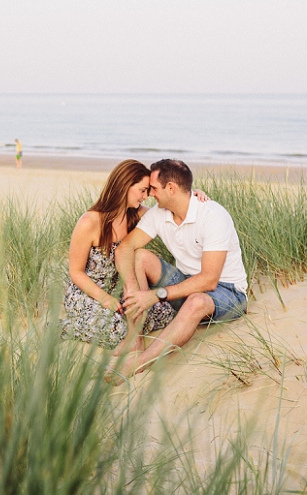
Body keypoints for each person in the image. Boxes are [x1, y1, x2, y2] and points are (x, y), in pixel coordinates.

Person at [112, 159, 248, 381]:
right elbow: (125, 248)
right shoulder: (159, 214)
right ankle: (135, 339)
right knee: (139, 257)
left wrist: (154, 296)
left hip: (228, 293)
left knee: (197, 300)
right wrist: (134, 293)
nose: (150, 195)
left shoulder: (213, 216)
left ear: (171, 188)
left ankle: (140, 362)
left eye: (154, 189)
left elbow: (209, 281)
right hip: (186, 282)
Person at [62, 159, 209, 351]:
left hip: (123, 289)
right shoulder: (89, 222)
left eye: (149, 191)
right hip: (90, 292)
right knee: (117, 332)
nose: (146, 196)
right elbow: (76, 272)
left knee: (164, 315)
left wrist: (192, 193)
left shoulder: (137, 214)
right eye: (142, 190)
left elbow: (171, 207)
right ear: (125, 186)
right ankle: (64, 328)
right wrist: (105, 299)